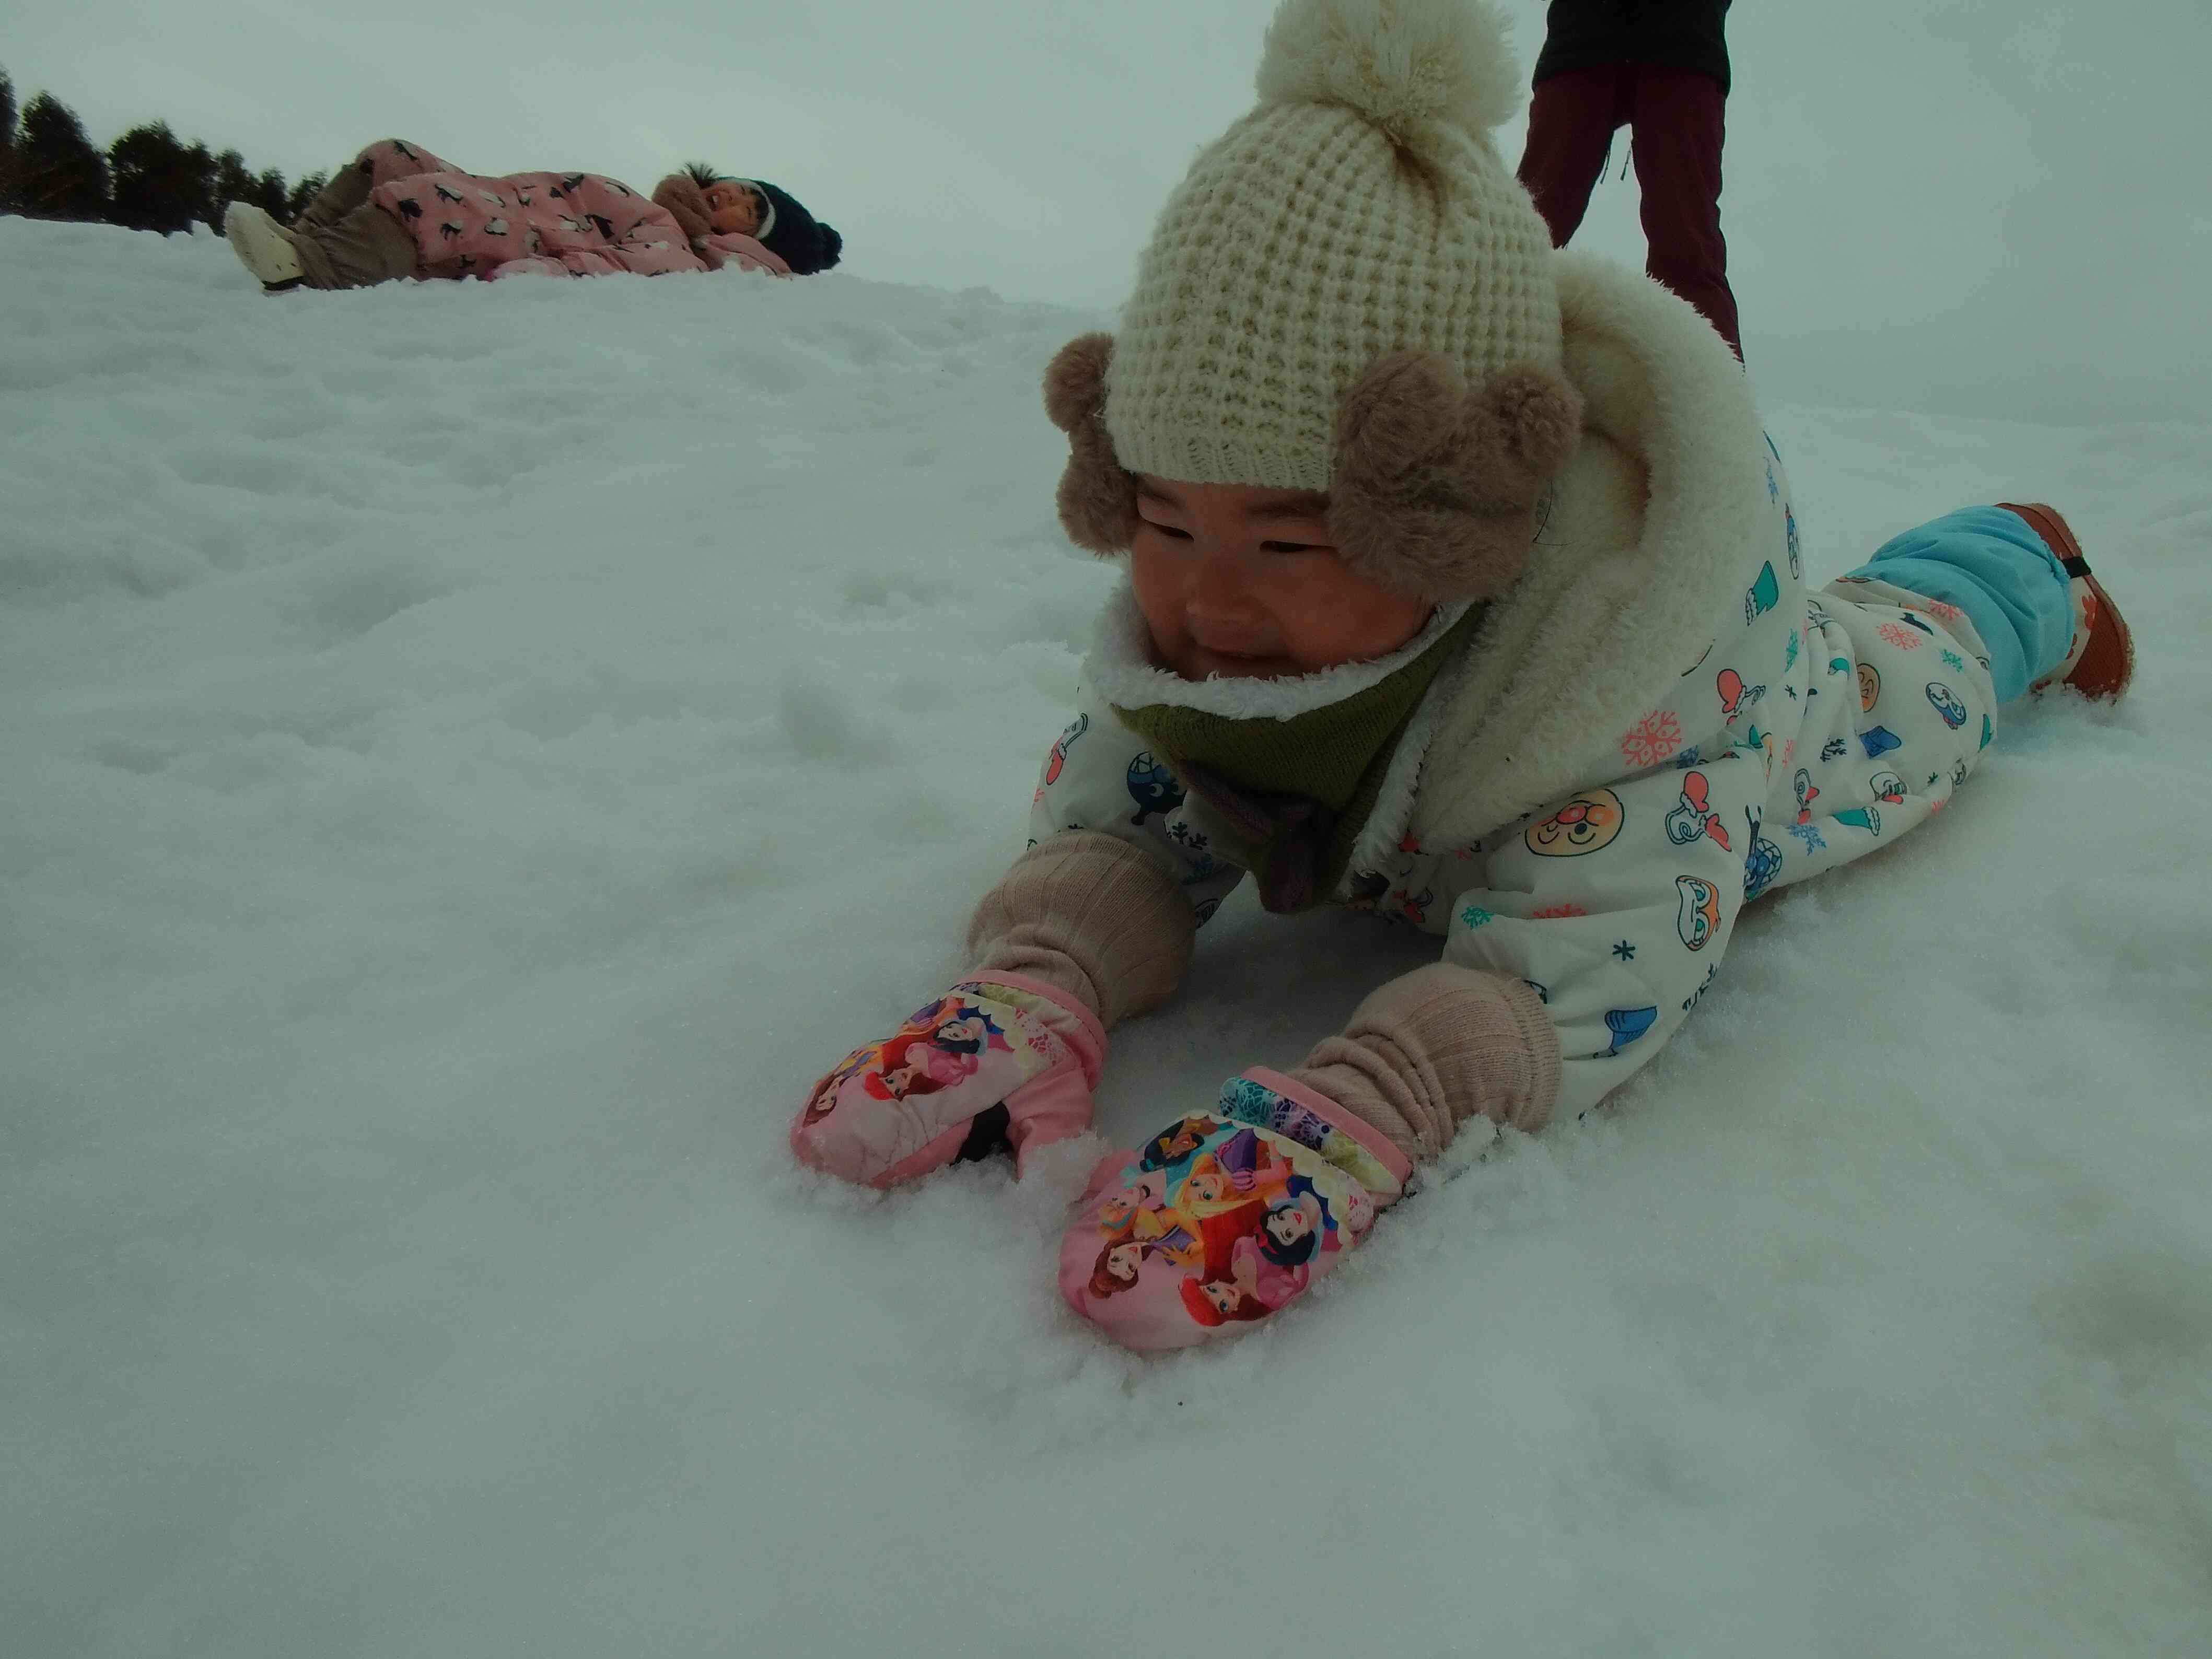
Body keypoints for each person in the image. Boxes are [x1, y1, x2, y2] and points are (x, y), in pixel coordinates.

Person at [785, 0, 2134, 1353]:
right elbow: (1138, 801)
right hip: (1441, 784)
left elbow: (1592, 953)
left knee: (1905, 671)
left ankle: (2020, 565)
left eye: (1287, 539)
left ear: (1455, 520)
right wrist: (1047, 965)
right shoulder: (1216, 641)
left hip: (1772, 714)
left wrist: (1378, 1097)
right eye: (1166, 523)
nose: (1210, 597)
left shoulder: (1623, 688)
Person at [221, 138, 841, 294]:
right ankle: (303, 234)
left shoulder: (683, 248)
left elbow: (612, 269)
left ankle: (311, 267)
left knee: (438, 205)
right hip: (509, 199)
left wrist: (541, 277)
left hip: (518, 235)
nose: (734, 198)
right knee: (394, 157)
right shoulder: (659, 205)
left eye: (752, 212)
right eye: (741, 189)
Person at [1515, 0, 1741, 358]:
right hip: (1587, 37)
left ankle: (1718, 404)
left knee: (1687, 245)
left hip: (1683, 38)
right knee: (1523, 235)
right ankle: (1475, 361)